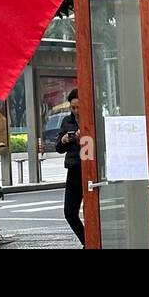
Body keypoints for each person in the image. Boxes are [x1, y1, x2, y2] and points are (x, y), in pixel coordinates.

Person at [55, 88, 84, 245]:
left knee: (93, 211)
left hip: (91, 170)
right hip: (74, 169)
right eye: (73, 107)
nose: (76, 111)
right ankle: (87, 241)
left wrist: (83, 138)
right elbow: (58, 148)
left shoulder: (92, 118)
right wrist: (64, 140)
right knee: (69, 212)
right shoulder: (67, 121)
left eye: (79, 107)